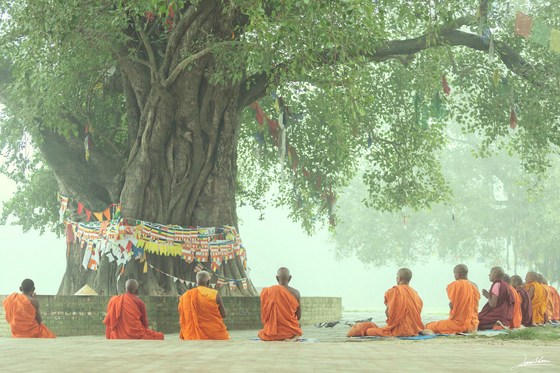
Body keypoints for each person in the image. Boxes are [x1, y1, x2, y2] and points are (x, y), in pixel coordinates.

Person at [347, 268, 425, 337]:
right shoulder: (415, 293)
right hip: (415, 329)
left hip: (398, 331)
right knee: (371, 326)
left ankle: (355, 326)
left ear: (399, 278)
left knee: (367, 330)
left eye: (397, 276)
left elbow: (389, 313)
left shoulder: (394, 291)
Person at [426, 264, 480, 334]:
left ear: (457, 274)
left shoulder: (458, 284)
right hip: (474, 325)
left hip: (459, 325)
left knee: (429, 326)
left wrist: (451, 305)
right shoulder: (475, 285)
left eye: (454, 274)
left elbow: (453, 305)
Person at [178, 271, 229, 340]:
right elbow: (223, 315)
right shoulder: (214, 294)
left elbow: (184, 316)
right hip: (215, 333)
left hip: (192, 334)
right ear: (208, 282)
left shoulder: (186, 296)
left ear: (196, 282)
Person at [258, 267, 303, 341]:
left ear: (277, 278)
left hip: (271, 333)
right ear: (290, 278)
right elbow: (298, 316)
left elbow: (264, 315)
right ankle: (293, 338)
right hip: (289, 332)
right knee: (298, 326)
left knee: (261, 333)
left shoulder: (269, 292)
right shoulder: (296, 293)